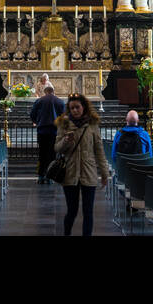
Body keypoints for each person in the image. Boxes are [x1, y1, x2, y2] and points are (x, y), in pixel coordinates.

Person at [54, 94, 110, 236]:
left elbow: (99, 150)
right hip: (70, 173)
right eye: (72, 108)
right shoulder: (64, 124)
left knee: (88, 211)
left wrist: (104, 173)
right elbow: (57, 148)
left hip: (88, 171)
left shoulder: (92, 124)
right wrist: (66, 140)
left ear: (83, 107)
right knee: (72, 211)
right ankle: (67, 233)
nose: (75, 110)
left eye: (77, 107)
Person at [30, 84, 65, 184]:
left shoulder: (39, 101)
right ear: (53, 92)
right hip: (55, 131)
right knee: (52, 154)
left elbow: (32, 114)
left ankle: (41, 176)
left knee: (42, 153)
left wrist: (37, 121)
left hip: (42, 131)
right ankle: (50, 177)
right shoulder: (59, 101)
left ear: (45, 92)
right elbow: (64, 117)